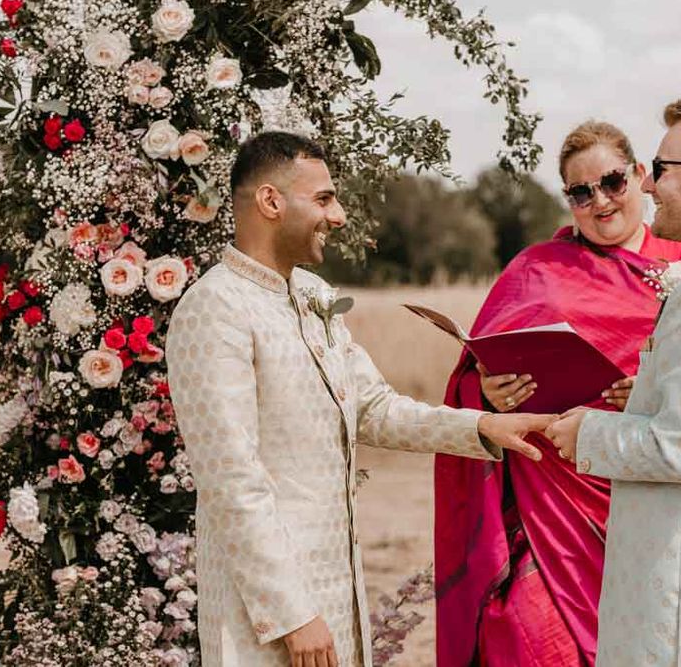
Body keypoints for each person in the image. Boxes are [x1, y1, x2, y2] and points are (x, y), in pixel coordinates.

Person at [165, 131, 555, 667]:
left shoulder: (313, 296)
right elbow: (232, 482)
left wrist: (481, 428)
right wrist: (292, 614)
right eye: (323, 198)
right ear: (271, 202)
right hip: (269, 615)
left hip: (337, 591)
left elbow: (372, 408)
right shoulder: (215, 309)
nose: (340, 215)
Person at [434, 120, 681, 666]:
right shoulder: (536, 270)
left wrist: (645, 395)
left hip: (645, 507)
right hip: (547, 510)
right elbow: (470, 374)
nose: (600, 202)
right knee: (529, 641)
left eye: (613, 182)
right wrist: (489, 393)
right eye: (580, 192)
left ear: (640, 176)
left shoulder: (679, 265)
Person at [546, 102, 681, 666]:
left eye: (660, 167)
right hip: (572, 514)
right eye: (581, 192)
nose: (650, 185)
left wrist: (590, 433)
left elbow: (675, 445)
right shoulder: (541, 270)